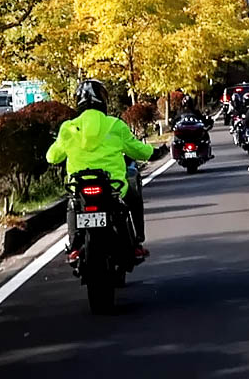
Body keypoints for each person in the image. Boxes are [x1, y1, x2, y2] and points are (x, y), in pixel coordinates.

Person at [46, 79, 168, 259]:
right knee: (133, 189)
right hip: (113, 186)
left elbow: (52, 157)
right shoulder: (114, 125)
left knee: (73, 203)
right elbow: (138, 150)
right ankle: (136, 242)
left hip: (79, 186)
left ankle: (74, 245)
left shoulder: (69, 128)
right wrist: (156, 152)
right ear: (103, 100)